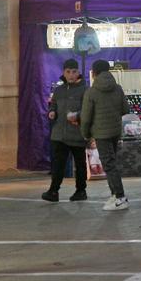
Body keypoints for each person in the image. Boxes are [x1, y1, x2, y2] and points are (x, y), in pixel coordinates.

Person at [81, 59, 129, 211]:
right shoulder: (118, 88)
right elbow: (125, 109)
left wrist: (85, 133)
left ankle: (120, 197)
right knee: (112, 163)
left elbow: (86, 117)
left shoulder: (91, 92)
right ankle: (114, 195)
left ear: (94, 73)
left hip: (101, 133)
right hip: (115, 131)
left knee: (109, 165)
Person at [43, 59, 89, 202]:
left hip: (76, 133)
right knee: (58, 164)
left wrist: (78, 116)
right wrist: (52, 111)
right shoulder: (59, 90)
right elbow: (54, 105)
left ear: (78, 73)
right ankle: (53, 191)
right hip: (59, 134)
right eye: (68, 72)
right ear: (63, 72)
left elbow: (88, 110)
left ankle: (81, 191)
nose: (71, 75)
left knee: (80, 164)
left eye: (74, 72)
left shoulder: (85, 90)